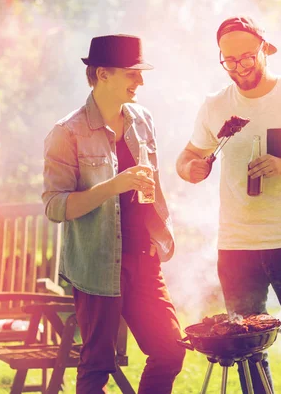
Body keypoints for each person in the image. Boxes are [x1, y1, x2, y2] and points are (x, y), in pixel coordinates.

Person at [176, 16, 281, 394]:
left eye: (247, 57)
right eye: (229, 61)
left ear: (266, 49)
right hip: (236, 247)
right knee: (247, 349)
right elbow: (186, 158)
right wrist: (191, 168)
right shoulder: (215, 106)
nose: (239, 68)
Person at [42, 34, 185, 394]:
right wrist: (111, 186)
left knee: (170, 349)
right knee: (97, 367)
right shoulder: (66, 133)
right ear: (102, 74)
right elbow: (55, 206)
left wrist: (158, 228)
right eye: (131, 73)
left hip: (144, 261)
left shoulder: (143, 120)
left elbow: (151, 182)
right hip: (96, 265)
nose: (140, 82)